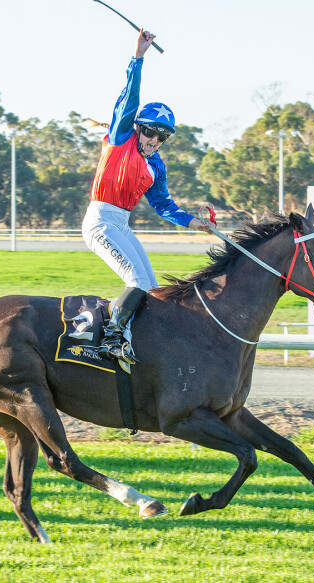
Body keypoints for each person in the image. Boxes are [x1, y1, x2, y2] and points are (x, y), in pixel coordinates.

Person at [83, 29, 212, 364]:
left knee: (152, 289)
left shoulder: (157, 166)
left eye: (162, 136)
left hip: (122, 226)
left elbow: (164, 206)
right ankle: (112, 340)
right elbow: (129, 98)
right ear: (137, 127)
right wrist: (137, 58)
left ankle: (138, 344)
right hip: (100, 222)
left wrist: (193, 222)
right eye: (151, 131)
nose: (154, 140)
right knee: (137, 280)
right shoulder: (121, 137)